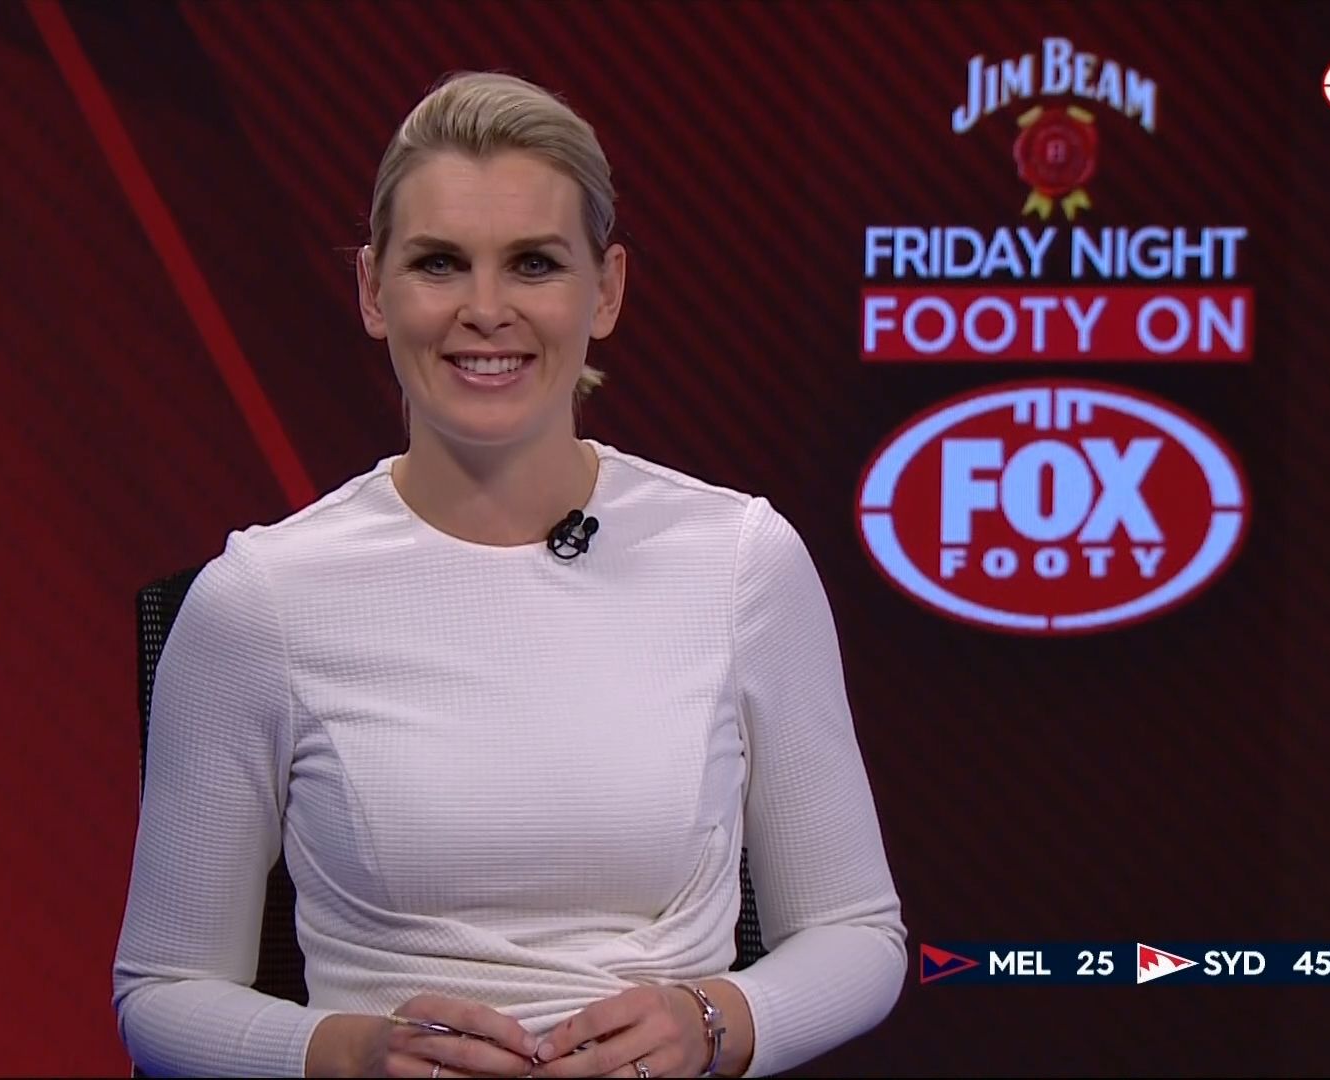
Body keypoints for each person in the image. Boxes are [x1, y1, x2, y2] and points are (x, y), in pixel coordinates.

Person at [113, 71, 907, 1078]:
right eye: (439, 264)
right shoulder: (259, 600)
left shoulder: (740, 562)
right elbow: (162, 995)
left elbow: (857, 935)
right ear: (372, 290)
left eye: (534, 264)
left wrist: (712, 1023)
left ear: (606, 289)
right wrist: (349, 1055)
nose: (485, 310)